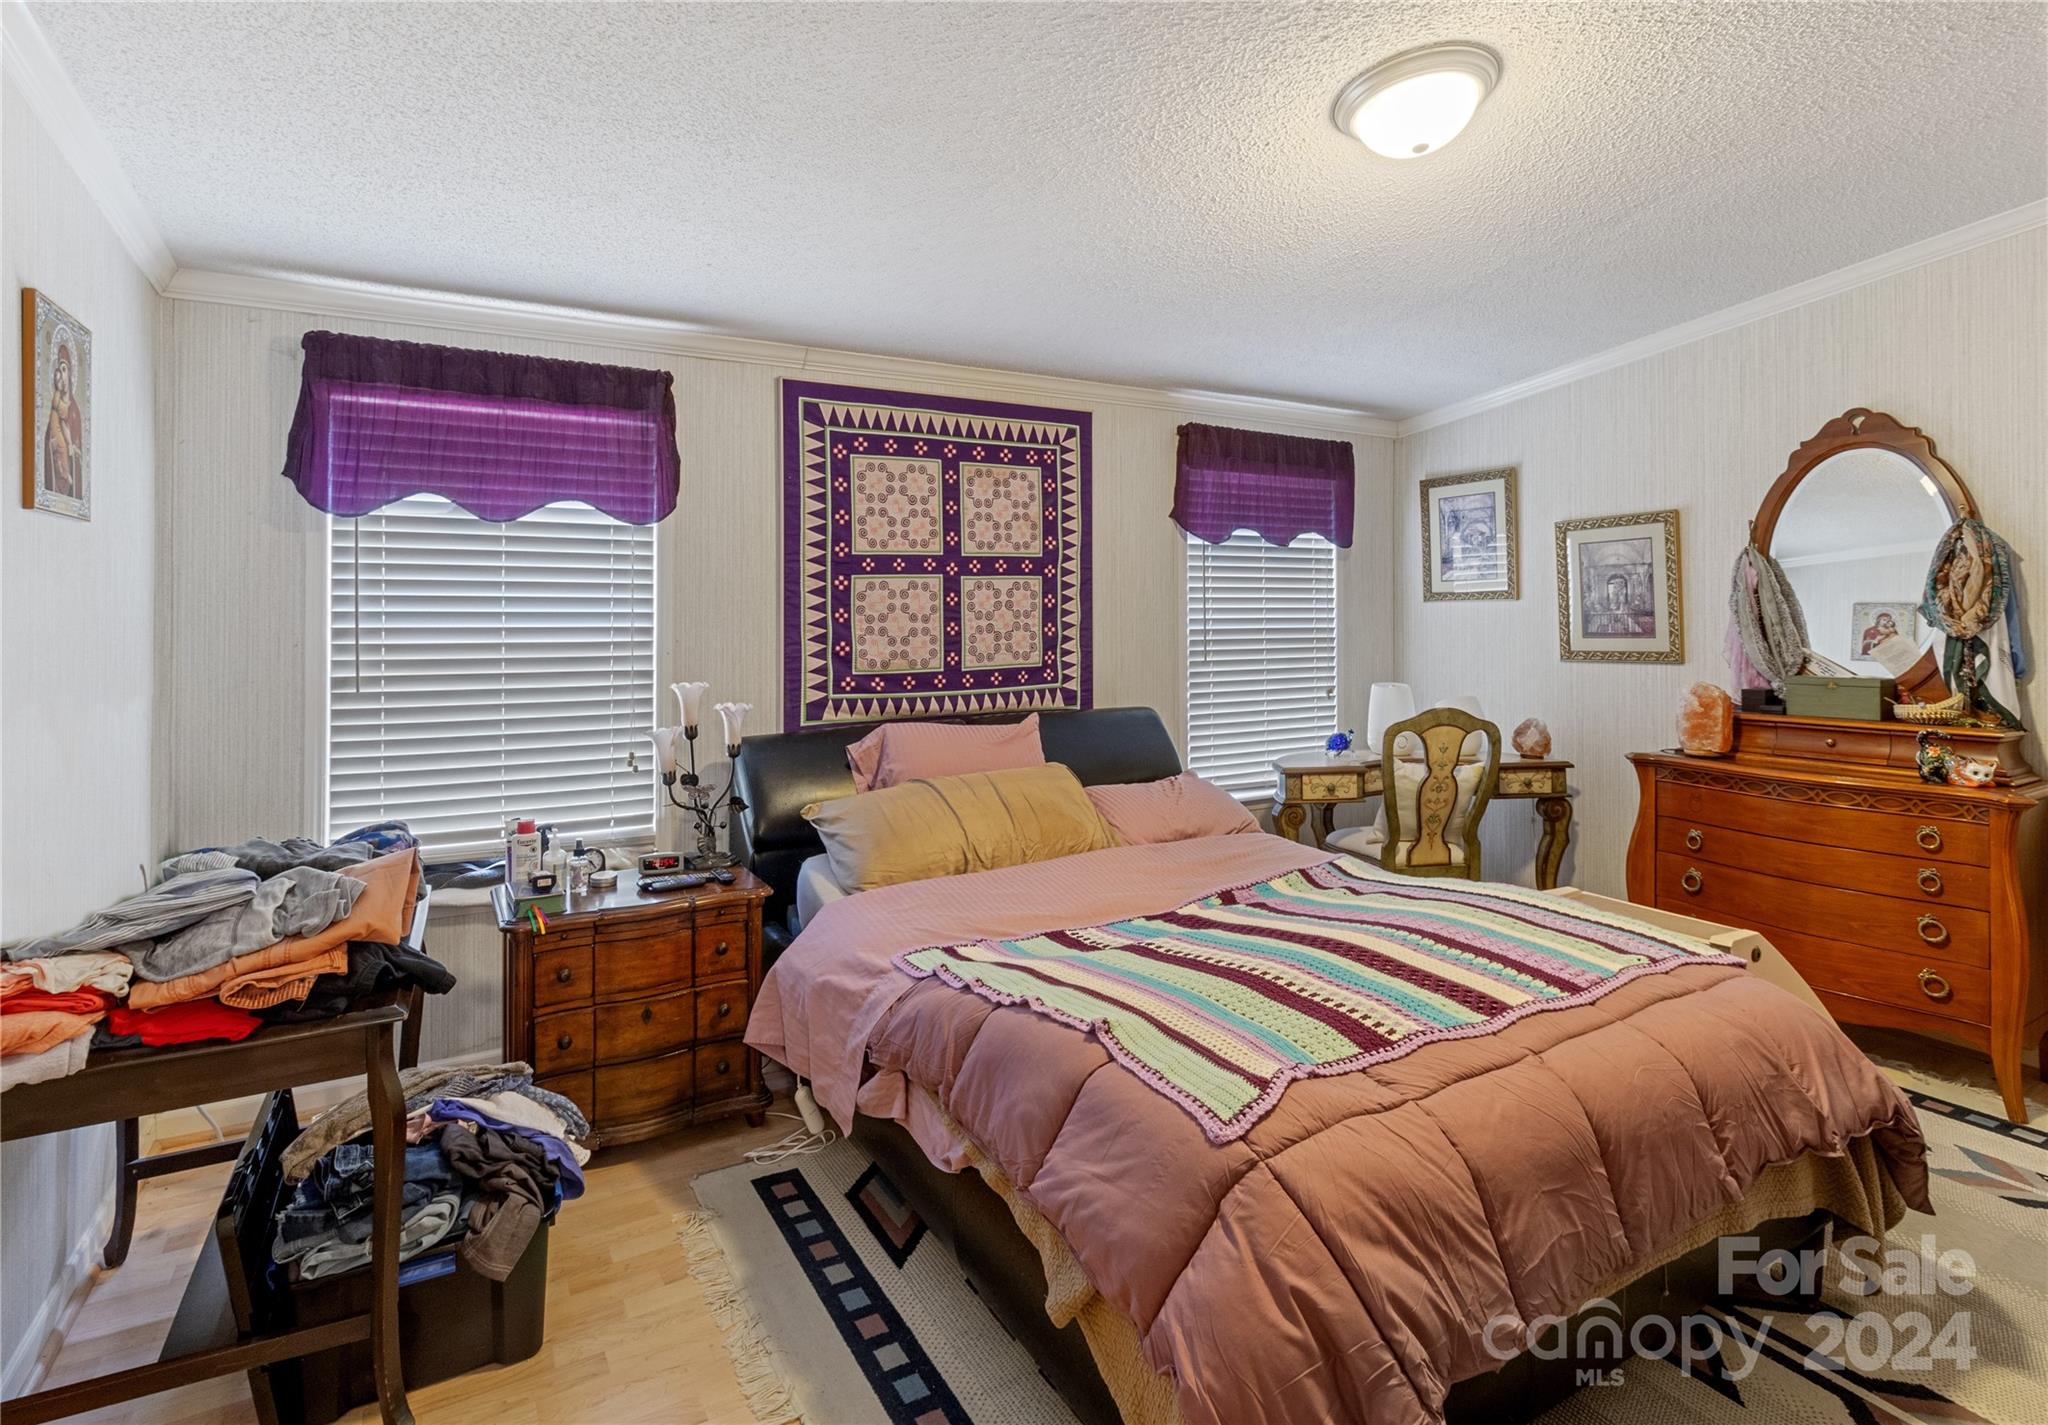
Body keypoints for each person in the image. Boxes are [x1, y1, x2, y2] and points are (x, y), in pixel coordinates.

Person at [42, 340, 84, 500]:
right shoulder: (56, 405)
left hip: (68, 462)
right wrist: (50, 444)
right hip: (56, 462)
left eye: (64, 370)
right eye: (59, 370)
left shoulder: (74, 411)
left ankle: (67, 476)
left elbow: (76, 446)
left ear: (70, 374)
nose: (61, 374)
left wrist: (72, 446)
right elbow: (50, 435)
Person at [1584, 571, 1654, 636]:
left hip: (1619, 606)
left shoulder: (1621, 594)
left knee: (1622, 615)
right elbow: (1614, 598)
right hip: (1615, 605)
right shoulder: (1614, 594)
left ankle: (1622, 625)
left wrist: (1620, 599)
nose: (1617, 586)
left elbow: (1621, 599)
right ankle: (1614, 624)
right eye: (1616, 584)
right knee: (1614, 615)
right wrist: (1615, 600)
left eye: (1619, 584)